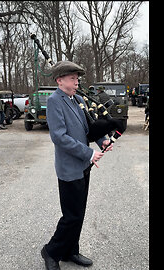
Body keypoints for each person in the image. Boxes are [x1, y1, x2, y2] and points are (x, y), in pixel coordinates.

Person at [41, 60, 113, 270]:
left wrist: (102, 141)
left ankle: (71, 250)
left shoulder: (77, 99)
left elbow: (90, 127)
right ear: (60, 80)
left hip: (83, 166)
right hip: (69, 168)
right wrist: (89, 152)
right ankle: (51, 251)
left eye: (77, 78)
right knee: (71, 215)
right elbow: (59, 137)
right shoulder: (55, 101)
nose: (77, 81)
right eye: (73, 78)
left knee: (79, 212)